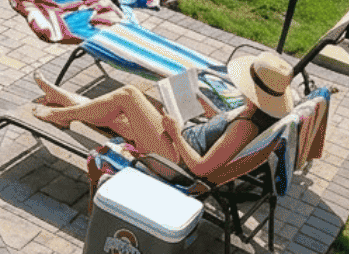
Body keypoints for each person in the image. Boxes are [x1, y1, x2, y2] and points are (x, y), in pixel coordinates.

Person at [31, 51, 295, 178]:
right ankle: (63, 102)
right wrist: (208, 111)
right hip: (179, 142)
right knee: (116, 115)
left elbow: (201, 169)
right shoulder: (254, 112)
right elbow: (220, 132)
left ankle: (61, 114)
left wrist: (174, 132)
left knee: (128, 96)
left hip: (175, 161)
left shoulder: (245, 128)